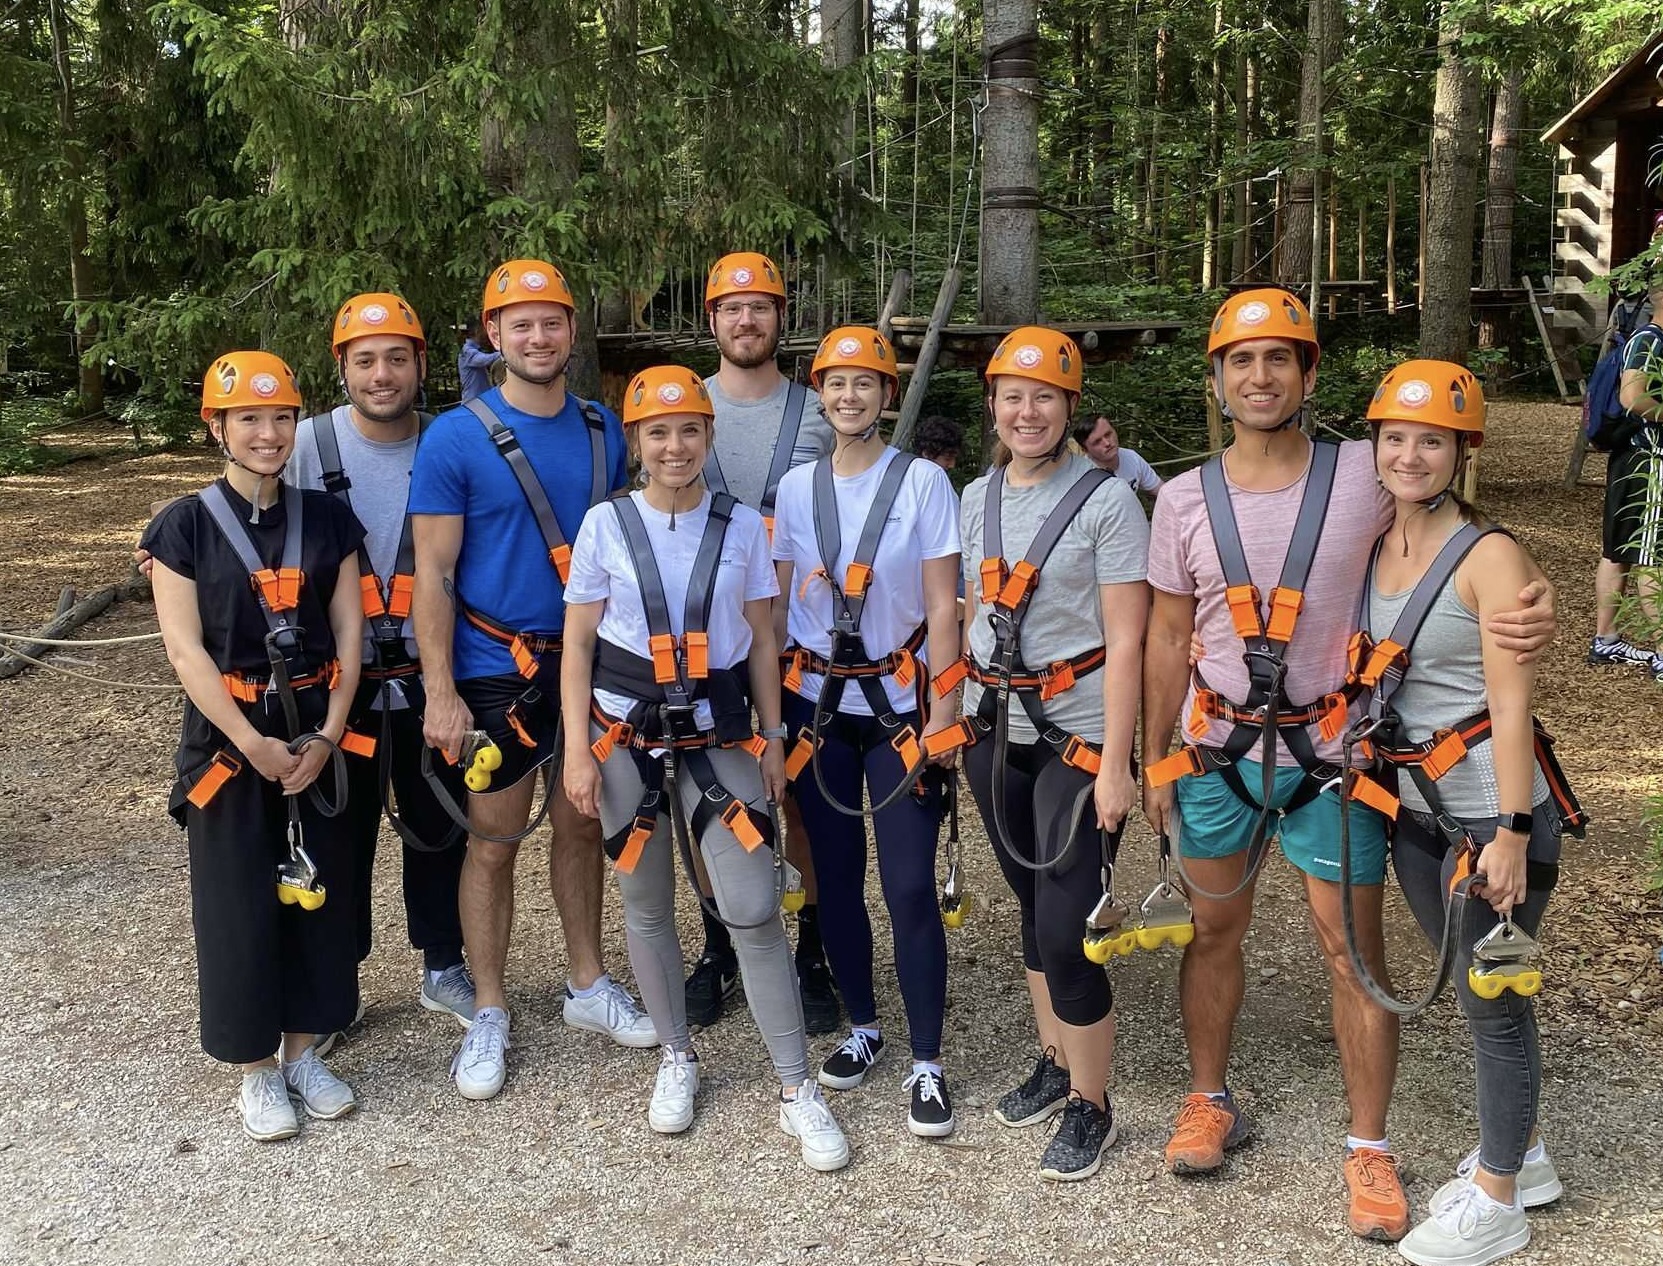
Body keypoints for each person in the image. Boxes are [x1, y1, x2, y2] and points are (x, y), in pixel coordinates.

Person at [1141, 289, 1556, 1241]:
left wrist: (1535, 611)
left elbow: (1468, 555)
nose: (1258, 377)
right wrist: (1153, 756)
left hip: (1336, 762)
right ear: (1216, 379)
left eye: (1279, 361)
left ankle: (1366, 1148)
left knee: (1352, 953)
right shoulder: (1179, 500)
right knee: (1212, 932)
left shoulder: (1369, 477)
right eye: (1240, 363)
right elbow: (1168, 636)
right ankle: (1208, 1095)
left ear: (1308, 375)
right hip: (1216, 752)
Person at [559, 364, 850, 1171]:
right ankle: (677, 1057)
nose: (675, 446)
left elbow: (762, 639)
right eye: (658, 433)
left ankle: (796, 1086)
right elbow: (578, 644)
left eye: (689, 430)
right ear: (636, 444)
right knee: (645, 903)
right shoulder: (605, 527)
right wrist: (579, 747)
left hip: (720, 735)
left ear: (708, 437)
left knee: (753, 906)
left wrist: (770, 739)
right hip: (627, 738)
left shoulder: (740, 530)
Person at [411, 258, 656, 1102]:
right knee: (494, 837)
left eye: (551, 322)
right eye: (521, 325)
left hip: (590, 664)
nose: (538, 337)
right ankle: (487, 1006)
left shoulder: (604, 429)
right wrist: (439, 691)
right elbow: (432, 573)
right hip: (495, 668)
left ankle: (586, 983)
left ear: (570, 332)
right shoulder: (454, 437)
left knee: (583, 824)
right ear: (493, 336)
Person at [1351, 360, 1577, 1266]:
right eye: (1395, 437)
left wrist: (1514, 834)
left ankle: (1497, 1201)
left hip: (1491, 817)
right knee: (1480, 995)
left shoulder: (1490, 557)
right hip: (1417, 814)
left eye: (1430, 441)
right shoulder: (1375, 544)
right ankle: (1524, 1159)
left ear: (1460, 451)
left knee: (1493, 1007)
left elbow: (1512, 707)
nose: (1409, 455)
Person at [936, 327, 1148, 1180]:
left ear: (1069, 408)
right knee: (1029, 904)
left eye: (1045, 398)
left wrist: (1118, 763)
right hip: (995, 728)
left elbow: (1128, 641)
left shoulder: (1106, 502)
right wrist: (947, 714)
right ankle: (1056, 1061)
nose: (1027, 411)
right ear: (992, 404)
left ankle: (1093, 1103)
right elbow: (963, 611)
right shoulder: (973, 496)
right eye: (1012, 397)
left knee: (1067, 929)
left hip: (1079, 734)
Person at [143, 350, 364, 1141]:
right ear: (216, 427)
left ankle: (305, 1048)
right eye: (249, 419)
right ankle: (257, 1070)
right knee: (237, 903)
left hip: (315, 735)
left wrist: (328, 734)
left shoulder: (328, 519)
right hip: (229, 745)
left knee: (321, 893)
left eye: (280, 418)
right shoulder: (183, 527)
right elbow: (184, 650)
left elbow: (349, 632)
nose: (268, 433)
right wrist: (250, 743)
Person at [771, 326, 963, 1138]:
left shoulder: (922, 483)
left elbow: (946, 603)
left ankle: (927, 1059)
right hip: (816, 707)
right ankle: (862, 1026)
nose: (850, 396)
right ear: (819, 394)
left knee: (910, 885)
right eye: (837, 384)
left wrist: (944, 717)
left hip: (898, 709)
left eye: (865, 384)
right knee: (834, 883)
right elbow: (777, 603)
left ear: (887, 396)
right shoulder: (794, 489)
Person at [287, 292, 474, 1031]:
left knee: (440, 824)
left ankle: (443, 962)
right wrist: (167, 542)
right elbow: (244, 509)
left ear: (421, 363)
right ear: (342, 369)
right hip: (341, 681)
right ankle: (334, 987)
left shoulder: (452, 440)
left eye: (397, 358)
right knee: (338, 835)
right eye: (365, 360)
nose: (382, 374)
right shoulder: (304, 445)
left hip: (434, 671)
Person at [690, 251, 839, 1034]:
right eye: (731, 308)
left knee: (805, 803)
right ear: (710, 321)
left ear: (782, 317)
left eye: (760, 307)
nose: (746, 321)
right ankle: (721, 943)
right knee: (711, 800)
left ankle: (811, 948)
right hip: (708, 645)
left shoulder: (818, 411)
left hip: (801, 641)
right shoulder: (683, 407)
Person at [1591, 262, 1663, 680]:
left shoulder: (1643, 339)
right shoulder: (1650, 341)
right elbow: (1634, 397)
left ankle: (1607, 640)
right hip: (1648, 462)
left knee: (1619, 552)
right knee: (1652, 557)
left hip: (1631, 459)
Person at [1074, 414, 1162, 495]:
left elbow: (1162, 491)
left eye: (1108, 434)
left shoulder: (1132, 458)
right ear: (1085, 449)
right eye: (1097, 442)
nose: (1107, 443)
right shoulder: (1081, 478)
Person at [457, 317, 501, 402]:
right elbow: (483, 360)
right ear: (476, 331)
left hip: (480, 400)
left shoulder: (471, 349)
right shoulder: (467, 351)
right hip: (473, 401)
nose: (484, 332)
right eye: (482, 329)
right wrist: (503, 353)